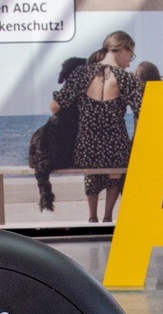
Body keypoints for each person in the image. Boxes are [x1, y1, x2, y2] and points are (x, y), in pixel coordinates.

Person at [50, 31, 142, 223]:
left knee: (91, 170)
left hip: (86, 149)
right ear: (122, 49)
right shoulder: (126, 78)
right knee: (117, 169)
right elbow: (141, 112)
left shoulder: (81, 73)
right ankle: (108, 217)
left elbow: (55, 107)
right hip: (116, 149)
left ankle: (92, 217)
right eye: (130, 54)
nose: (129, 61)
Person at [29, 57, 86, 211]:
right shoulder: (82, 96)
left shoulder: (63, 96)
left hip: (37, 158)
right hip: (56, 157)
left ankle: (46, 200)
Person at [134, 61, 163, 207]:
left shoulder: (141, 97)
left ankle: (159, 193)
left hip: (152, 149)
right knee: (156, 156)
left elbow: (139, 128)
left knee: (146, 158)